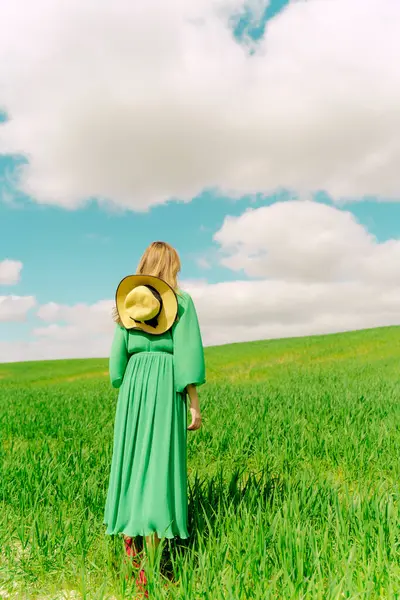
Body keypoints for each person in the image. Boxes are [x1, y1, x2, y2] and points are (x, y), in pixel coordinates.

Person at [103, 241, 206, 594]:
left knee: (131, 466)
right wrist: (193, 401)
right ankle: (152, 567)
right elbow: (187, 353)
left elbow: (116, 365)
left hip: (134, 386)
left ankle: (131, 556)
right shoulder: (182, 303)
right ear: (171, 266)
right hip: (165, 385)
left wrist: (128, 378)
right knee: (158, 469)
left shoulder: (128, 302)